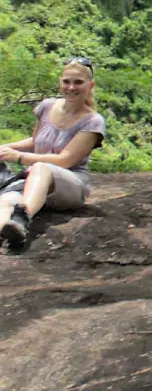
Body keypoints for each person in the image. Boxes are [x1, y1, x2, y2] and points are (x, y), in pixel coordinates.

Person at [0, 58, 106, 249]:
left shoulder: (93, 121)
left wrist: (19, 157)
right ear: (60, 82)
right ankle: (9, 229)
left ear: (91, 85)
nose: (71, 87)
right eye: (67, 82)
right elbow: (35, 142)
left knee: (41, 168)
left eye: (78, 82)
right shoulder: (47, 106)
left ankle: (21, 218)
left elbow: (65, 160)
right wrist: (6, 148)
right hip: (35, 181)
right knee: (5, 202)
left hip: (69, 184)